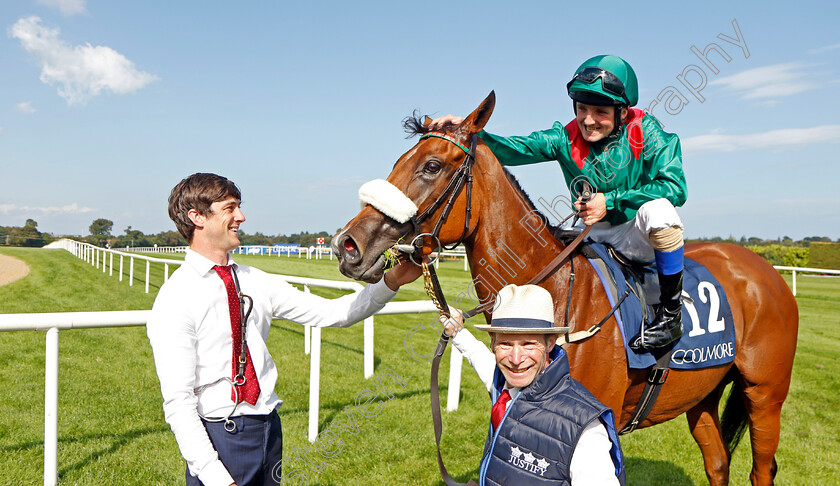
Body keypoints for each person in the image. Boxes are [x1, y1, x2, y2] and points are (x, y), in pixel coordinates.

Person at [146, 173, 422, 486]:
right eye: (230, 208)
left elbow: (332, 313)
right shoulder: (175, 296)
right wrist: (214, 475)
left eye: (239, 206)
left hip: (268, 432)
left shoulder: (256, 281)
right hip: (219, 438)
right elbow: (178, 401)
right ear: (197, 217)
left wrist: (392, 281)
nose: (241, 216)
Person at [430, 55, 687, 351]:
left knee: (660, 211)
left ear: (623, 112)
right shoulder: (564, 137)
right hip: (589, 230)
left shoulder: (648, 132)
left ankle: (670, 315)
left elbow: (675, 187)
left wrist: (612, 201)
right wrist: (470, 130)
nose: (588, 120)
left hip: (635, 232)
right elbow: (516, 149)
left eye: (600, 112)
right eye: (582, 109)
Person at [442, 284, 625, 485]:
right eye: (506, 344)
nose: (516, 358)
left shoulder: (584, 428)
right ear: (493, 343)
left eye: (528, 344)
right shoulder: (505, 386)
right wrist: (457, 332)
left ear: (550, 343)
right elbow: (483, 362)